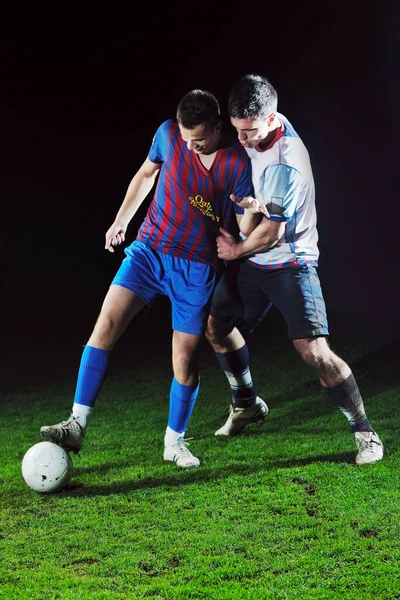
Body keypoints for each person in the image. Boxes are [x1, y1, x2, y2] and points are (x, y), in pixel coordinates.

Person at [40, 89, 264, 468]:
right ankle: (76, 423)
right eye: (185, 138)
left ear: (217, 127)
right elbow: (147, 173)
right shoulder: (167, 135)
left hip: (196, 267)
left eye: (200, 139)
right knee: (106, 323)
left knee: (184, 360)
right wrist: (121, 220)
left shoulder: (237, 162)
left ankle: (174, 442)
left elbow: (244, 227)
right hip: (150, 249)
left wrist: (250, 210)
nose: (191, 146)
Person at [205, 74, 383, 466]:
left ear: (271, 120)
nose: (243, 140)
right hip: (255, 261)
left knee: (315, 352)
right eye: (237, 131)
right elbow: (254, 222)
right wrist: (247, 212)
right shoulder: (261, 125)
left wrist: (235, 250)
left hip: (291, 262)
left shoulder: (287, 161)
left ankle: (365, 431)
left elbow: (271, 234)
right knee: (217, 326)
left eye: (249, 132)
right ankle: (246, 403)